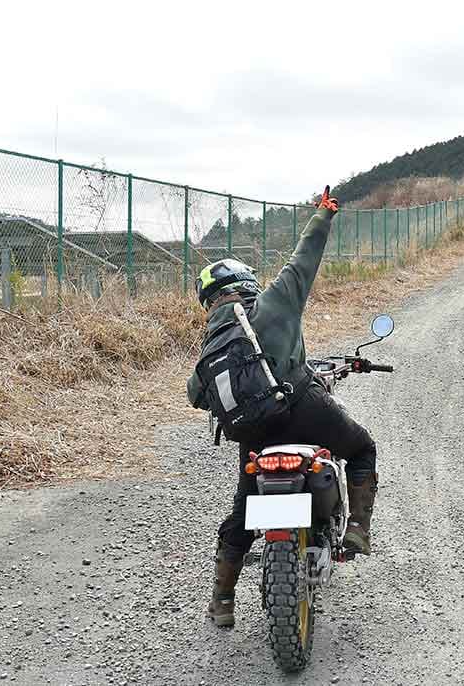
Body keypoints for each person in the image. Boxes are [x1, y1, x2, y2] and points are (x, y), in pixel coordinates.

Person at [187, 187, 378, 628]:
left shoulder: (211, 347)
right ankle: (356, 531)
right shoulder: (276, 303)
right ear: (246, 286)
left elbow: (197, 395)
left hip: (254, 435)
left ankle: (222, 600)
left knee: (242, 512)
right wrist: (323, 216)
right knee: (362, 448)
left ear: (210, 301)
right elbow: (303, 259)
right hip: (302, 407)